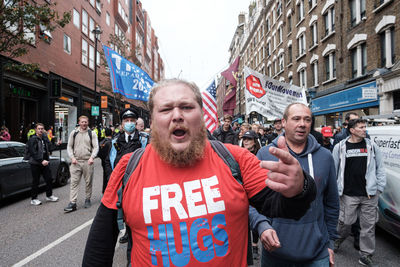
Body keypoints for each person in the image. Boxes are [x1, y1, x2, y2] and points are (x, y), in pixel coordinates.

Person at [82, 79, 317, 266]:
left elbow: (285, 208)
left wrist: (301, 187)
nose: (177, 115)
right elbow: (99, 246)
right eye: (165, 109)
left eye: (186, 107)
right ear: (152, 121)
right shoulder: (128, 167)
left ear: (202, 116)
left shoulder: (235, 158)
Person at [251, 103, 339, 267]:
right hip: (275, 253)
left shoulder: (325, 156)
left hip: (317, 253)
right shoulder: (265, 154)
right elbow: (252, 201)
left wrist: (331, 242)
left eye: (307, 119)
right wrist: (262, 225)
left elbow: (331, 202)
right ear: (283, 122)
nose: (302, 124)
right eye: (296, 118)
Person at [332, 118, 386, 267]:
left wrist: (379, 187)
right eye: (361, 127)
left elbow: (380, 168)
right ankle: (337, 239)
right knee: (346, 222)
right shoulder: (340, 147)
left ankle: (366, 255)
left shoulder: (372, 146)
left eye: (365, 127)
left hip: (370, 194)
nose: (365, 130)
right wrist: (335, 189)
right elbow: (333, 169)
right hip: (348, 194)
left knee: (368, 226)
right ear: (352, 130)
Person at [104, 108, 143, 244]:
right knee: (123, 208)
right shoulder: (115, 141)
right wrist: (112, 179)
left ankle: (136, 232)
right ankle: (127, 231)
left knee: (137, 209)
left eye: (132, 120)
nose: (129, 123)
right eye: (126, 121)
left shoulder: (144, 140)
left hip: (138, 182)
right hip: (121, 182)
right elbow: (108, 161)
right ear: (122, 124)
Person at [64, 115, 98, 212]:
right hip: (76, 162)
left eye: (85, 122)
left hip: (88, 161)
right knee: (74, 183)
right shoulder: (74, 133)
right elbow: (69, 146)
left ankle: (87, 199)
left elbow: (96, 147)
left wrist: (92, 157)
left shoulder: (92, 133)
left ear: (88, 123)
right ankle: (72, 202)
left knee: (88, 182)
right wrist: (72, 157)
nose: (84, 123)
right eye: (82, 122)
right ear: (79, 122)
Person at [240, 130, 262, 260]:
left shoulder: (260, 154)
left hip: (255, 191)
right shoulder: (238, 154)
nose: (246, 141)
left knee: (255, 217)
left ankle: (254, 246)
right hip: (242, 191)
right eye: (244, 139)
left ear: (254, 141)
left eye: (248, 139)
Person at [27, 123, 59, 205]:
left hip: (44, 162)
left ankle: (49, 196)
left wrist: (56, 144)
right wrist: (41, 161)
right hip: (35, 163)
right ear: (36, 130)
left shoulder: (44, 138)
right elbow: (33, 152)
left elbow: (50, 147)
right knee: (36, 181)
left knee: (49, 179)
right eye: (39, 128)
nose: (40, 130)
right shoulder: (32, 139)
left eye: (42, 128)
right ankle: (34, 199)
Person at [98, 128, 113, 193]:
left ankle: (104, 190)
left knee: (105, 175)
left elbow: (99, 153)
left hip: (103, 162)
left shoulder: (102, 142)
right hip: (110, 162)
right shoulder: (112, 142)